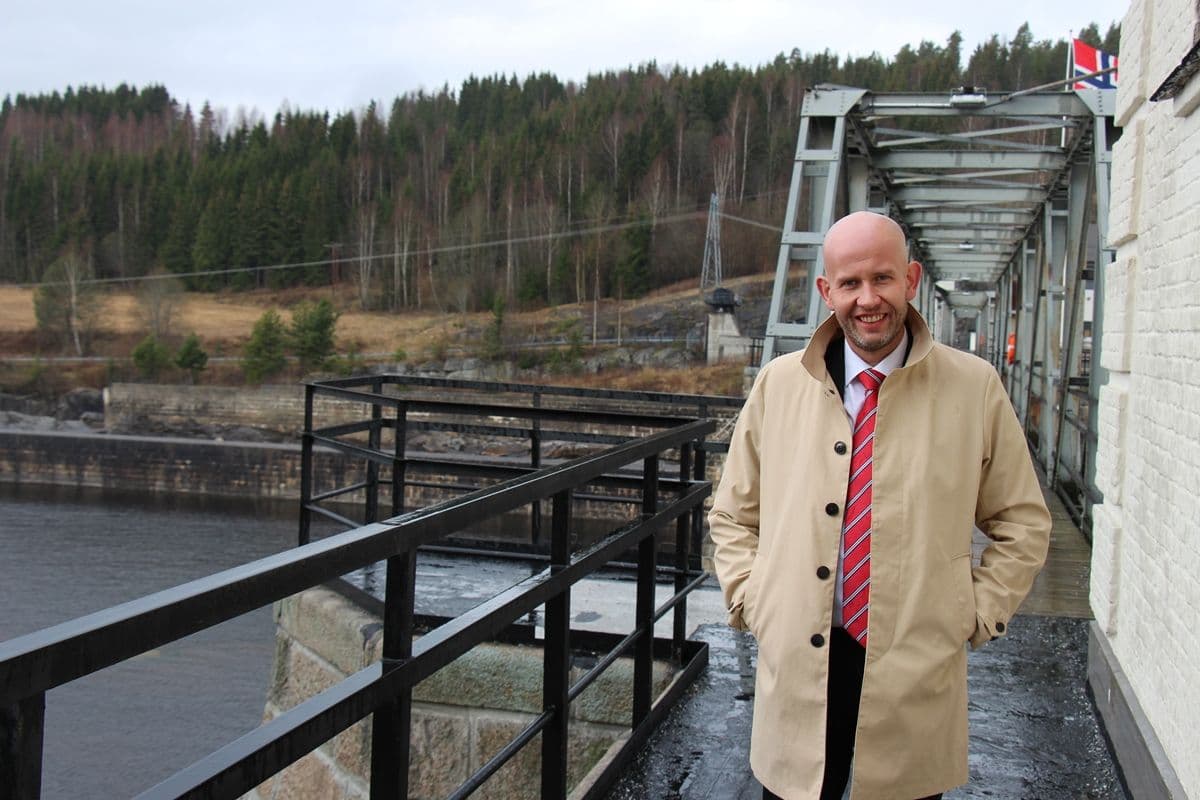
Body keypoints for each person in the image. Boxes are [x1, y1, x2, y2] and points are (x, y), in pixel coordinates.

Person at [709, 211, 1051, 800]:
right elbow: (733, 513)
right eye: (850, 283)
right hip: (799, 657)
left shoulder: (974, 388)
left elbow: (1022, 521)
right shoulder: (779, 385)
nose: (868, 300)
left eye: (882, 278)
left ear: (911, 279)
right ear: (827, 291)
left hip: (915, 664)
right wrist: (752, 597)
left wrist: (974, 612)